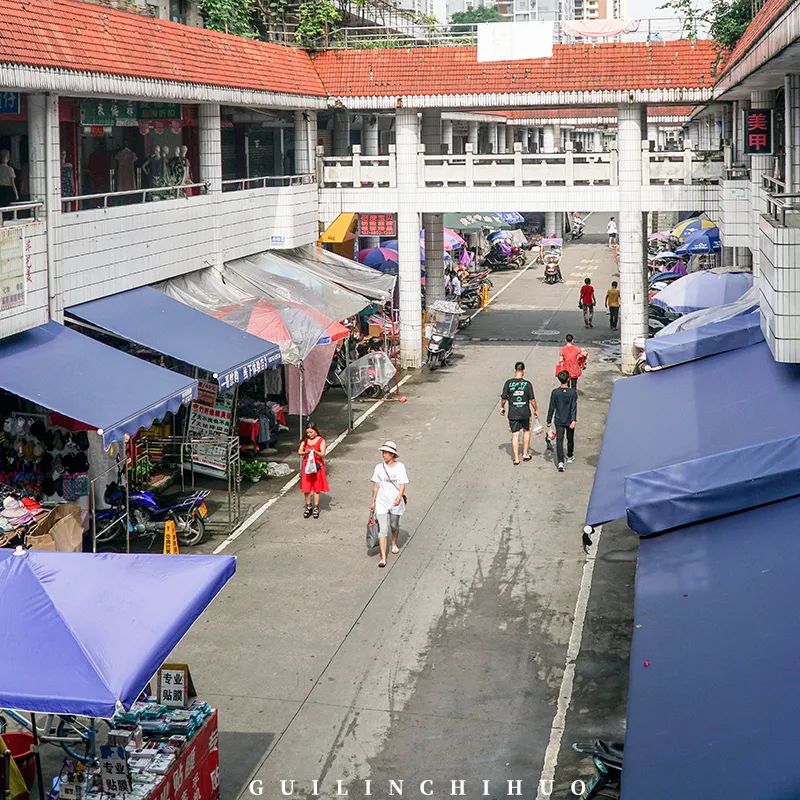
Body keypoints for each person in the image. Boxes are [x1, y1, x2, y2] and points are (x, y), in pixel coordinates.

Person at [370, 441, 409, 568]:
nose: (384, 455)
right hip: (382, 501)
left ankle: (394, 542)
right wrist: (373, 501)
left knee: (394, 525)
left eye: (386, 453)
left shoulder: (400, 467)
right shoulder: (378, 468)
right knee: (383, 530)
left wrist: (399, 497)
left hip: (395, 502)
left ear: (393, 455)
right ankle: (383, 557)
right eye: (383, 452)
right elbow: (376, 485)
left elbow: (402, 484)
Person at [500, 361, 539, 466]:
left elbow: (503, 399)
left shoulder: (508, 383)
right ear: (524, 371)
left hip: (513, 413)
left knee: (515, 435)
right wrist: (536, 409)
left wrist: (502, 407)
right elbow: (532, 400)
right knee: (526, 431)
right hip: (525, 412)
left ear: (514, 370)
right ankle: (525, 454)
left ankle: (516, 459)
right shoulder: (527, 384)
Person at [547, 370, 578, 473]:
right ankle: (569, 455)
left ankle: (560, 462)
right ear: (568, 379)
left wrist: (548, 420)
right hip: (569, 419)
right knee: (570, 438)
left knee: (559, 440)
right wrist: (573, 419)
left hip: (559, 420)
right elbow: (574, 406)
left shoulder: (555, 392)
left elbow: (551, 407)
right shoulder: (572, 392)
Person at [298, 421, 328, 519]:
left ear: (315, 431)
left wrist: (315, 451)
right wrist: (305, 451)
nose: (309, 434)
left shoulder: (321, 440)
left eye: (311, 432)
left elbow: (323, 454)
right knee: (306, 488)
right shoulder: (305, 440)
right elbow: (299, 451)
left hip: (317, 465)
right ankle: (308, 506)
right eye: (307, 433)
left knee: (316, 487)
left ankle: (316, 507)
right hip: (307, 465)